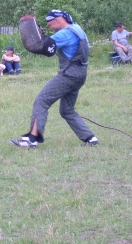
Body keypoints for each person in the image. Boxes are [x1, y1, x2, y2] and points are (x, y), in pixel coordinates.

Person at [10, 9, 98, 148]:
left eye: (49, 23)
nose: (49, 27)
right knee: (67, 110)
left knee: (41, 101)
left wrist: (38, 37)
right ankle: (90, 138)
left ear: (57, 19)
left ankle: (32, 139)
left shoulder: (65, 33)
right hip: (81, 73)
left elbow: (41, 47)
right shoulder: (77, 29)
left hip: (69, 74)